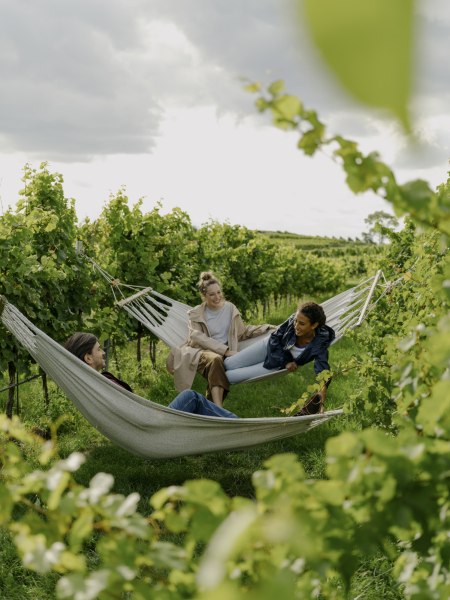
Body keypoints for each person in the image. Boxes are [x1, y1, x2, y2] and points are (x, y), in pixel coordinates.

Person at [64, 332, 238, 419]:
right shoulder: (103, 383)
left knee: (190, 398)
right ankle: (236, 423)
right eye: (99, 349)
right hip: (150, 423)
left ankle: (224, 424)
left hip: (145, 421)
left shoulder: (93, 384)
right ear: (88, 357)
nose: (103, 353)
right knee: (190, 397)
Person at [166, 271, 275, 407]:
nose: (217, 297)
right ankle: (219, 408)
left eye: (219, 292)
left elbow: (243, 331)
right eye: (212, 294)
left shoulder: (230, 309)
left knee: (222, 370)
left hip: (226, 353)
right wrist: (225, 351)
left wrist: (268, 328)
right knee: (216, 360)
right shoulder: (196, 313)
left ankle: (209, 409)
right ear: (204, 296)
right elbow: (197, 337)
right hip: (203, 352)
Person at [224, 301, 335, 413]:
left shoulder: (320, 342)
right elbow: (275, 337)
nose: (296, 326)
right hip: (268, 346)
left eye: (301, 323)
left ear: (314, 325)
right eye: (296, 321)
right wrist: (286, 361)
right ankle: (212, 362)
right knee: (227, 364)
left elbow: (322, 370)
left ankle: (215, 381)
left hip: (275, 365)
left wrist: (320, 398)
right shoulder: (294, 319)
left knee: (228, 377)